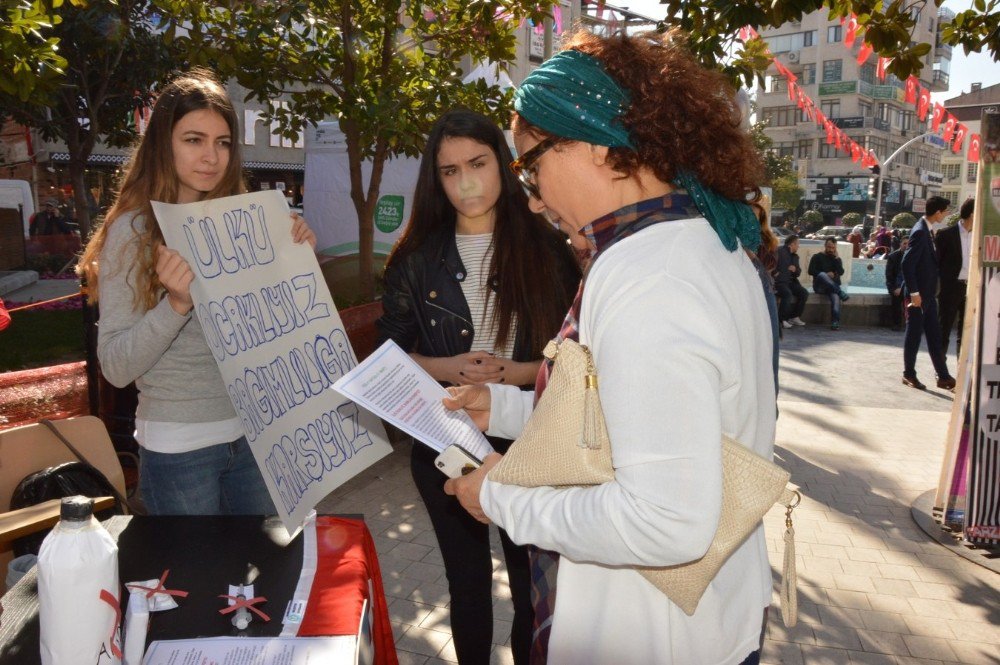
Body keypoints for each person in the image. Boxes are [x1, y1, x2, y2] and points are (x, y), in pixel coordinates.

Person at [441, 29, 776, 665]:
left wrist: (501, 498)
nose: (533, 199)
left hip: (650, 635)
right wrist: (505, 410)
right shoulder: (704, 242)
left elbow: (664, 522)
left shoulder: (650, 274)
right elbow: (634, 418)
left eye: (531, 166)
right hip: (705, 622)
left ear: (596, 141)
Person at [375, 109, 581, 665]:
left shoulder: (547, 248)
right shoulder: (416, 258)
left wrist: (509, 376)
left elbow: (574, 360)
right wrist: (448, 368)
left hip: (529, 439)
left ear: (503, 164)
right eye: (448, 171)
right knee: (467, 585)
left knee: (530, 586)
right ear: (433, 180)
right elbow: (386, 356)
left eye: (478, 163)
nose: (465, 182)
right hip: (445, 442)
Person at [77, 70, 316, 514]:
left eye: (223, 142)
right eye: (193, 139)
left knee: (257, 577)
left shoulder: (242, 220)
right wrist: (177, 304)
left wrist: (296, 263)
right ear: (162, 143)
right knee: (197, 579)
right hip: (180, 447)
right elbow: (115, 366)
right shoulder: (134, 230)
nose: (211, 157)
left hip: (258, 434)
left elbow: (270, 330)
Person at [901, 196, 955, 390]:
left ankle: (943, 376)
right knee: (914, 335)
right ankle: (908, 374)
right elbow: (907, 263)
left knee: (935, 336)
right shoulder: (920, 232)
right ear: (938, 212)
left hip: (929, 296)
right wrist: (914, 293)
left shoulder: (929, 231)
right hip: (919, 297)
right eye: (946, 211)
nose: (947, 215)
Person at [937, 198, 974, 355]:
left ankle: (962, 369)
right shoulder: (946, 235)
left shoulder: (980, 236)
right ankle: (941, 370)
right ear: (972, 214)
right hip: (951, 288)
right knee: (944, 330)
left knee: (966, 332)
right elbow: (936, 263)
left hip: (972, 289)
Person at [808, 237, 850, 330]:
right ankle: (840, 292)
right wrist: (826, 274)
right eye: (829, 247)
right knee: (822, 275)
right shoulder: (817, 256)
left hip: (832, 288)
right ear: (825, 246)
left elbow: (841, 272)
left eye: (832, 247)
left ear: (835, 248)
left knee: (835, 298)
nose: (830, 249)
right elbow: (810, 271)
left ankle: (835, 322)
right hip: (820, 286)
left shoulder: (836, 259)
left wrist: (836, 259)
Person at [775, 234, 808, 329]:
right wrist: (775, 273)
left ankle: (794, 316)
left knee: (804, 293)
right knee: (787, 294)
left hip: (790, 282)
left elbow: (798, 272)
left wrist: (795, 270)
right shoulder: (779, 251)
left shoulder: (795, 257)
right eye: (797, 244)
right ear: (792, 244)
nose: (798, 246)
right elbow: (771, 263)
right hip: (779, 282)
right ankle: (782, 320)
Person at [885, 236, 909, 331]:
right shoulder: (893, 256)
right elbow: (889, 275)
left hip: (908, 285)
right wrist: (895, 288)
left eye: (908, 243)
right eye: (904, 243)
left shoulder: (914, 255)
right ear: (900, 244)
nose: (906, 246)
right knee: (896, 297)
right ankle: (896, 323)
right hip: (895, 285)